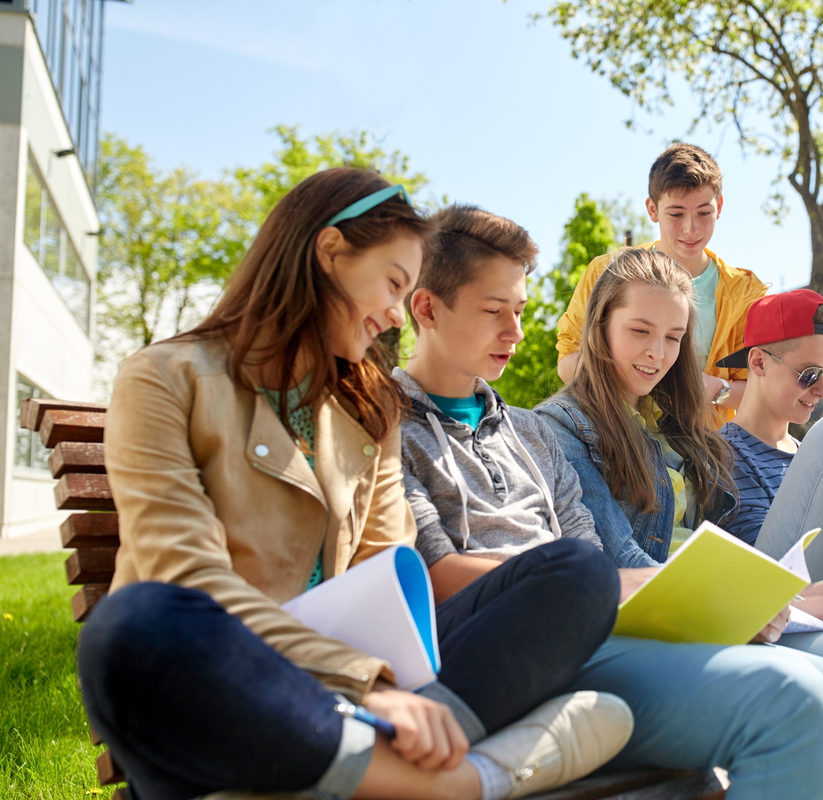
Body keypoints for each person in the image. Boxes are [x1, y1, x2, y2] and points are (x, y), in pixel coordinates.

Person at [75, 169, 634, 800]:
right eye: (394, 283)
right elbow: (184, 572)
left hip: (360, 687)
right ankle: (460, 782)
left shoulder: (366, 409)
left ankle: (341, 772)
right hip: (225, 673)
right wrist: (365, 683)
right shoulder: (165, 377)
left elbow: (386, 573)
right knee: (134, 623)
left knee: (577, 576)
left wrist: (389, 683)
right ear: (330, 252)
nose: (398, 314)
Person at [400, 208, 823, 799]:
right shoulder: (397, 426)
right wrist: (712, 599)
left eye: (520, 311)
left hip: (603, 628)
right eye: (494, 312)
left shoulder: (527, 434)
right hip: (528, 648)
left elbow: (591, 559)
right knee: (795, 703)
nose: (515, 332)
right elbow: (452, 571)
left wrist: (727, 599)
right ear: (427, 309)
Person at [555, 142, 766, 421]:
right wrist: (635, 373)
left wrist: (714, 390)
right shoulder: (607, 272)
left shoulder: (746, 293)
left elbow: (765, 386)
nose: (691, 228)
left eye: (704, 213)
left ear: (720, 206)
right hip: (620, 442)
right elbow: (568, 362)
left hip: (707, 453)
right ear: (652, 210)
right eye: (676, 214)